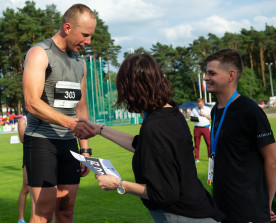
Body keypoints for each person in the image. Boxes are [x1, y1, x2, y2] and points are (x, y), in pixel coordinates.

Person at [79, 53, 224, 222]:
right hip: (194, 208)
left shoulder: (156, 126)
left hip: (182, 215)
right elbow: (141, 144)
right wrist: (99, 129)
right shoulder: (170, 114)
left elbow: (164, 193)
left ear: (132, 88)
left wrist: (119, 184)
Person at [22, 4, 96, 223]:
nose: (88, 42)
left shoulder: (80, 62)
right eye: (85, 35)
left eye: (91, 36)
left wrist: (85, 150)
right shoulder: (39, 53)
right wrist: (70, 124)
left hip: (69, 144)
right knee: (43, 211)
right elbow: (31, 102)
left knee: (66, 209)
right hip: (41, 141)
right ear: (67, 27)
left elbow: (81, 108)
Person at [204, 49, 276, 223]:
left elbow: (272, 160)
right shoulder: (215, 111)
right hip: (223, 206)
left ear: (230, 75)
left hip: (248, 209)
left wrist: (266, 203)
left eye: (211, 73)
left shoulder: (249, 110)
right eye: (206, 73)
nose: (206, 78)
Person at [190, 98, 211, 162]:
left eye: (200, 104)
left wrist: (203, 115)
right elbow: (191, 118)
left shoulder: (208, 109)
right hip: (197, 128)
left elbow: (211, 118)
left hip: (206, 128)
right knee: (196, 144)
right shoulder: (194, 109)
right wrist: (195, 119)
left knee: (209, 143)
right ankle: (196, 158)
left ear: (203, 103)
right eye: (198, 105)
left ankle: (210, 158)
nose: (199, 106)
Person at [17, 115, 29, 223]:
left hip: (47, 154)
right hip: (30, 155)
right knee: (26, 188)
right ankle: (21, 219)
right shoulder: (24, 120)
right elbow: (23, 138)